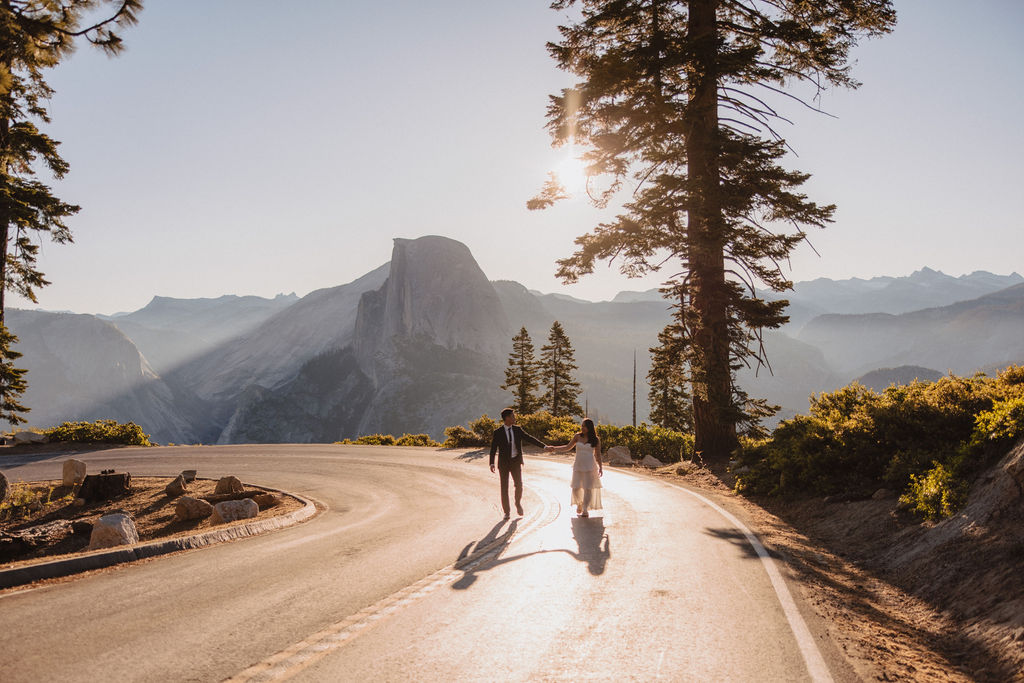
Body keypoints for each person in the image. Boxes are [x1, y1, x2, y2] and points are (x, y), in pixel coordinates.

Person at [489, 408, 547, 519]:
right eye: (513, 416)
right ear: (507, 418)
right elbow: (493, 448)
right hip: (503, 464)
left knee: (519, 485)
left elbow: (530, 438)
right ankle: (507, 512)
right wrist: (491, 463)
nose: (515, 418)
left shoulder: (517, 430)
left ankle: (517, 503)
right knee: (504, 488)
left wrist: (544, 446)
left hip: (515, 461)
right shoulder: (498, 432)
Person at [546, 418, 603, 517]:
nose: (582, 428)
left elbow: (598, 454)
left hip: (590, 466)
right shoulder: (577, 436)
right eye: (582, 426)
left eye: (584, 426)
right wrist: (554, 448)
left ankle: (585, 509)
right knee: (576, 488)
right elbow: (567, 447)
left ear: (589, 427)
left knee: (588, 488)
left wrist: (601, 467)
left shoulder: (595, 439)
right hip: (578, 465)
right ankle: (580, 503)